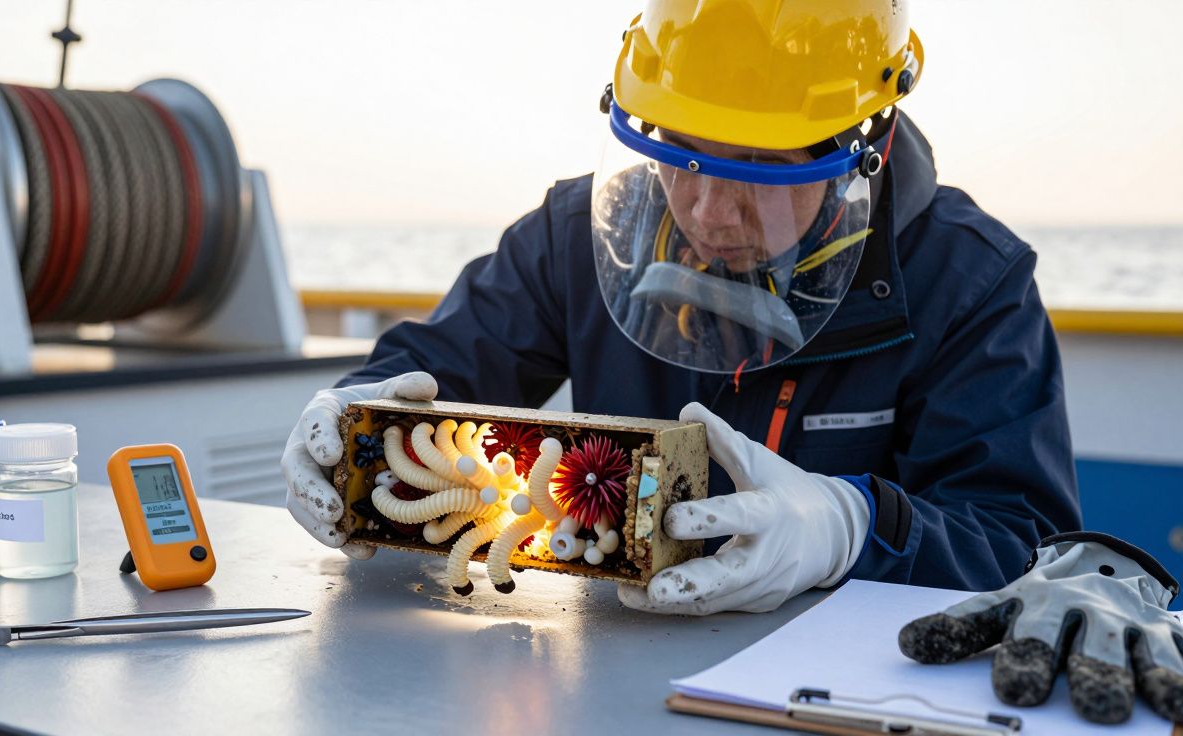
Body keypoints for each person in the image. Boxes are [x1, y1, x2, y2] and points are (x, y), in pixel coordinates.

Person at [283, 0, 1081, 616]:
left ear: (865, 141)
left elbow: (1018, 542)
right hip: (611, 660)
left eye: (762, 167)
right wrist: (357, 409)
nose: (707, 212)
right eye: (677, 151)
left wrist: (853, 529)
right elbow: (441, 364)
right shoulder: (573, 237)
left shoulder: (971, 281)